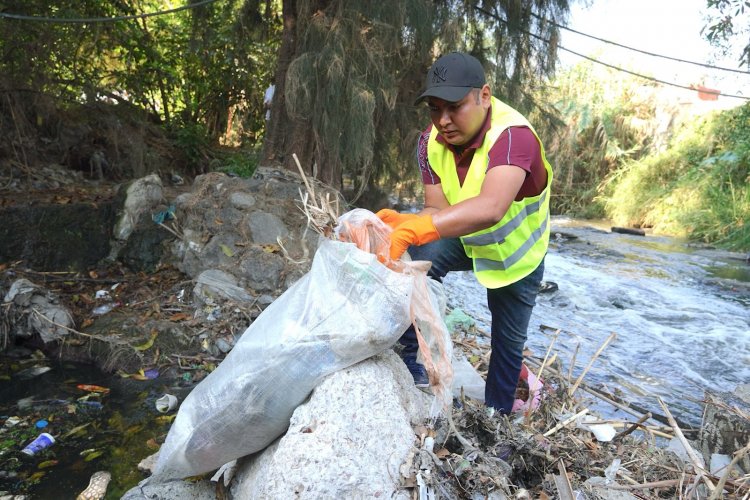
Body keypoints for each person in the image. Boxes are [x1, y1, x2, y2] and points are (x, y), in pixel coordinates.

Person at [377, 52, 553, 415]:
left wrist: (422, 227)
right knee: (417, 263)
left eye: (454, 107)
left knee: (506, 342)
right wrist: (406, 222)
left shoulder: (513, 137)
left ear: (483, 96)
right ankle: (413, 359)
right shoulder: (429, 143)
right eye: (434, 109)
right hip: (465, 236)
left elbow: (490, 207)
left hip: (518, 255)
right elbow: (436, 211)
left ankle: (498, 420)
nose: (443, 120)